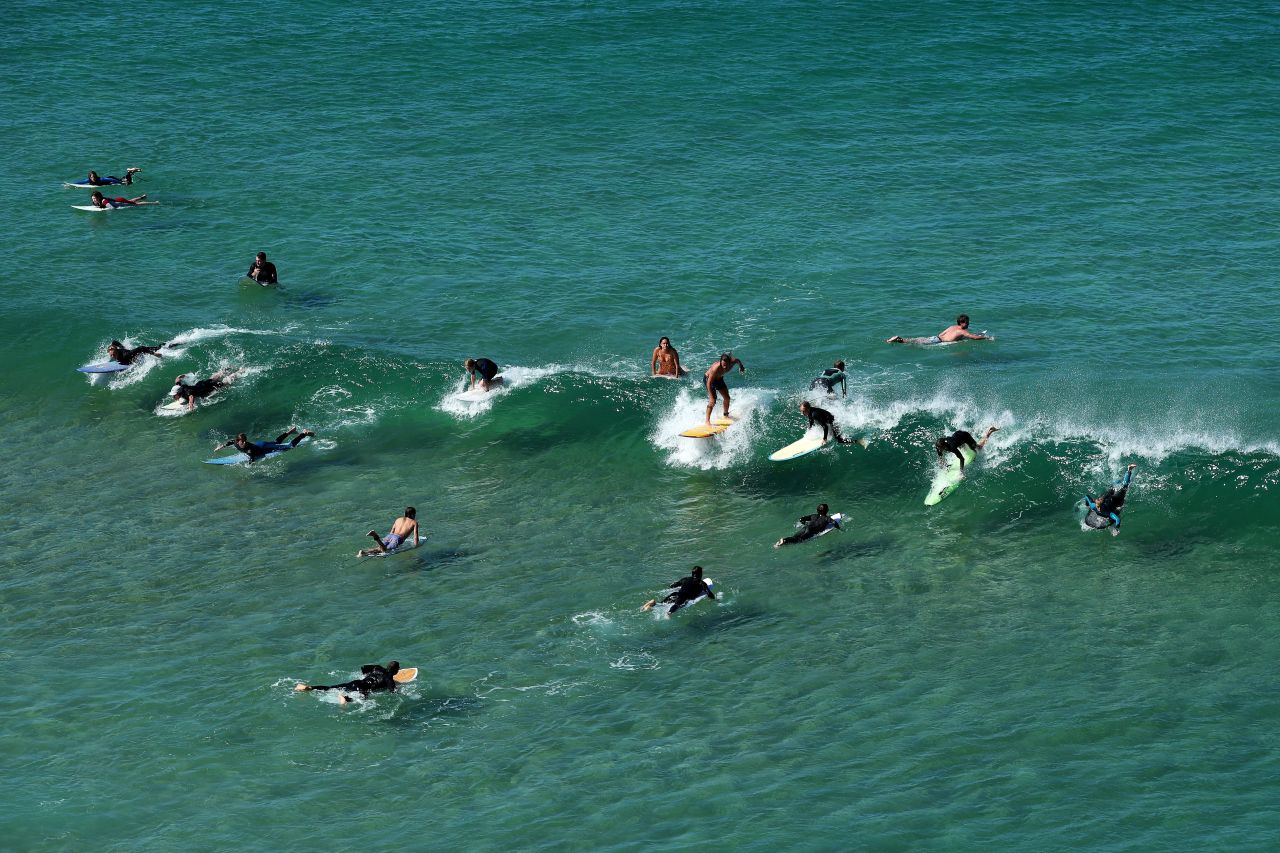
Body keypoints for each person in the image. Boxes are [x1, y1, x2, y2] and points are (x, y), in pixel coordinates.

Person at [294, 660, 402, 705]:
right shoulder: (389, 679)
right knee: (363, 698)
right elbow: (393, 692)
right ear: (396, 671)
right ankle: (345, 699)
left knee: (330, 688)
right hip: (362, 688)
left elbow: (364, 669)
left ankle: (308, 687)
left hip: (356, 682)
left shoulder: (377, 668)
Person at [1085, 464, 1137, 536]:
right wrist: (1087, 504)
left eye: (1100, 507)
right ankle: (1117, 478)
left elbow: (1117, 519)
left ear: (1103, 505)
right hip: (1106, 497)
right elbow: (1087, 497)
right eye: (1098, 507)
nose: (1099, 509)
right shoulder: (1093, 505)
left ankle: (1129, 469)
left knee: (1124, 487)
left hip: (1115, 500)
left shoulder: (1107, 512)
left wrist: (1116, 528)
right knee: (1113, 487)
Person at [214, 427, 314, 463]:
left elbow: (252, 458)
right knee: (276, 442)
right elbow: (229, 442)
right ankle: (291, 431)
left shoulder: (248, 448)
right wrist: (220, 447)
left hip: (262, 447)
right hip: (259, 444)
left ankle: (303, 434)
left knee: (289, 447)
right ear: (238, 440)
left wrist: (249, 465)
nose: (244, 443)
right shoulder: (235, 442)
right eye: (242, 441)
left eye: (245, 441)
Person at [642, 565, 715, 614]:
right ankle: (669, 613)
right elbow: (709, 593)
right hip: (685, 597)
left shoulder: (685, 579)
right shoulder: (701, 583)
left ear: (692, 574)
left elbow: (673, 585)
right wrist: (714, 599)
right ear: (700, 574)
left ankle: (652, 603)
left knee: (662, 604)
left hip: (675, 594)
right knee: (677, 605)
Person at [887, 314, 992, 345]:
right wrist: (985, 338)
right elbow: (973, 337)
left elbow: (941, 333)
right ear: (962, 323)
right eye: (967, 322)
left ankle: (898, 339)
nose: (969, 323)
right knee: (912, 343)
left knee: (914, 340)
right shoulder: (962, 331)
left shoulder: (952, 327)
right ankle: (898, 339)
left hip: (935, 338)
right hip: (937, 341)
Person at [170, 368, 241, 411]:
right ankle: (225, 369)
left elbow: (191, 398)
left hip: (206, 388)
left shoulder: (187, 392)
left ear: (179, 392)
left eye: (174, 395)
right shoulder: (179, 386)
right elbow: (177, 379)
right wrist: (182, 376)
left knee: (222, 383)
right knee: (212, 379)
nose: (173, 397)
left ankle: (238, 373)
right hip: (200, 384)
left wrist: (190, 408)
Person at [703, 352, 745, 424]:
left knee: (727, 398)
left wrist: (741, 366)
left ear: (730, 362)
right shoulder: (715, 368)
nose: (724, 366)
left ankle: (725, 415)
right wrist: (711, 396)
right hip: (709, 380)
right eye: (723, 364)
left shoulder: (733, 362)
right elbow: (709, 383)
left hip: (719, 379)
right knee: (712, 401)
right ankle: (707, 421)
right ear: (720, 362)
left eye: (726, 364)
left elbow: (737, 360)